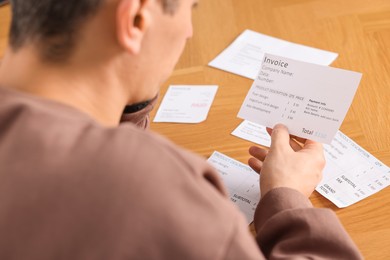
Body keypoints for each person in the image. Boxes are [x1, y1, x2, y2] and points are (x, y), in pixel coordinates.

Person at [0, 0, 362, 259]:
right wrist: (286, 200)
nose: (189, 32)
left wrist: (125, 97)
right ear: (137, 20)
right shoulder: (155, 190)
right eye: (192, 9)